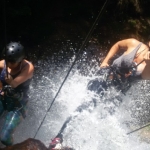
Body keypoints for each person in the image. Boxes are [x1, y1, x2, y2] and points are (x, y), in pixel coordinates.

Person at [0, 42, 34, 146]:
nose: (9, 64)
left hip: (18, 104)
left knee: (5, 138)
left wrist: (10, 80)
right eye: (8, 61)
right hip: (3, 99)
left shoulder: (28, 67)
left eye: (13, 62)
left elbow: (14, 84)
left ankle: (11, 148)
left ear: (20, 60)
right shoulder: (2, 64)